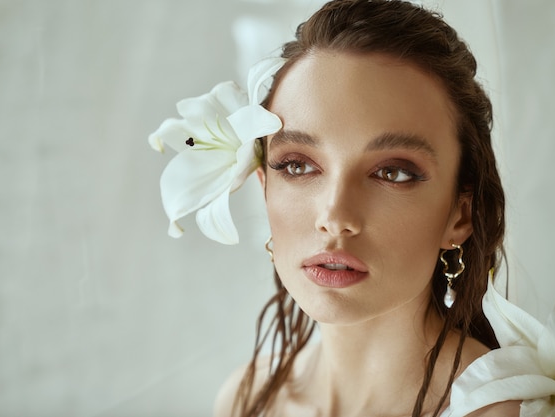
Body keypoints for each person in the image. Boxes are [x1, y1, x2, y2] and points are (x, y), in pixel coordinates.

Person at [149, 0, 525, 416]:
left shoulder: (503, 410)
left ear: (460, 215)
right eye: (298, 165)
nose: (334, 217)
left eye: (393, 173)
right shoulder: (247, 399)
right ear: (264, 186)